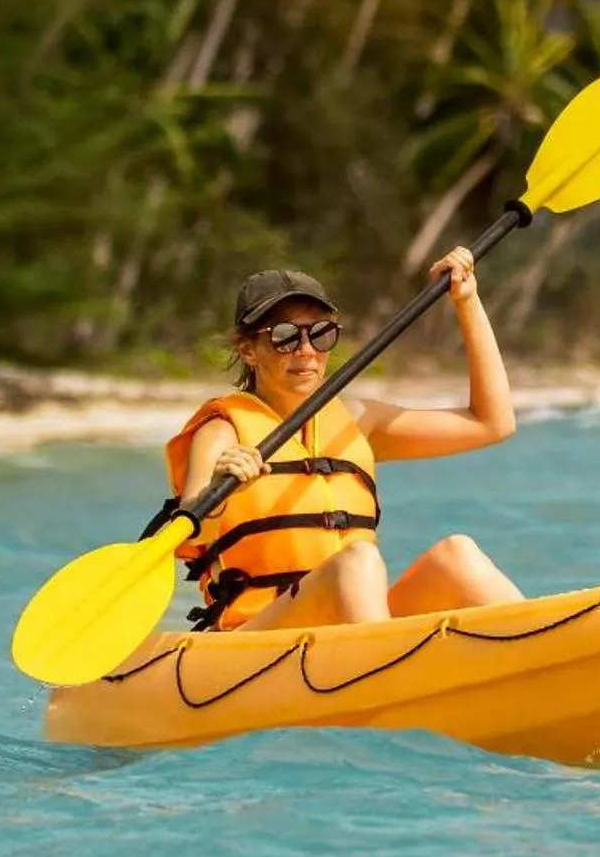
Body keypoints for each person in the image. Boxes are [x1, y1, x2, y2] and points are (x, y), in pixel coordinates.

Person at [164, 252, 524, 632]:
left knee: (458, 554)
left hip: (352, 629)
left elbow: (492, 423)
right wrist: (219, 494)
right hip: (260, 638)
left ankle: (545, 648)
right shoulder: (222, 431)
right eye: (285, 337)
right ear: (249, 350)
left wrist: (466, 301)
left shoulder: (359, 422)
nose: (306, 350)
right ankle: (386, 676)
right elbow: (191, 528)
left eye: (320, 334)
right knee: (358, 561)